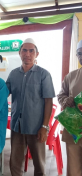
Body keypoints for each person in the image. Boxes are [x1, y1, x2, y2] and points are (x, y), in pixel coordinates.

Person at [6, 38, 55, 176]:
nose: (27, 54)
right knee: (15, 163)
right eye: (24, 50)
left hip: (36, 127)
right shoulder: (13, 74)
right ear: (19, 53)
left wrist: (44, 127)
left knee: (39, 164)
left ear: (36, 54)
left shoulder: (44, 74)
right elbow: (3, 93)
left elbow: (48, 102)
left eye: (31, 51)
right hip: (17, 126)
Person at [57, 39, 82, 176]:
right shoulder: (71, 76)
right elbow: (61, 95)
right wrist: (67, 100)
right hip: (73, 129)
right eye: (79, 53)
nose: (81, 56)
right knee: (74, 169)